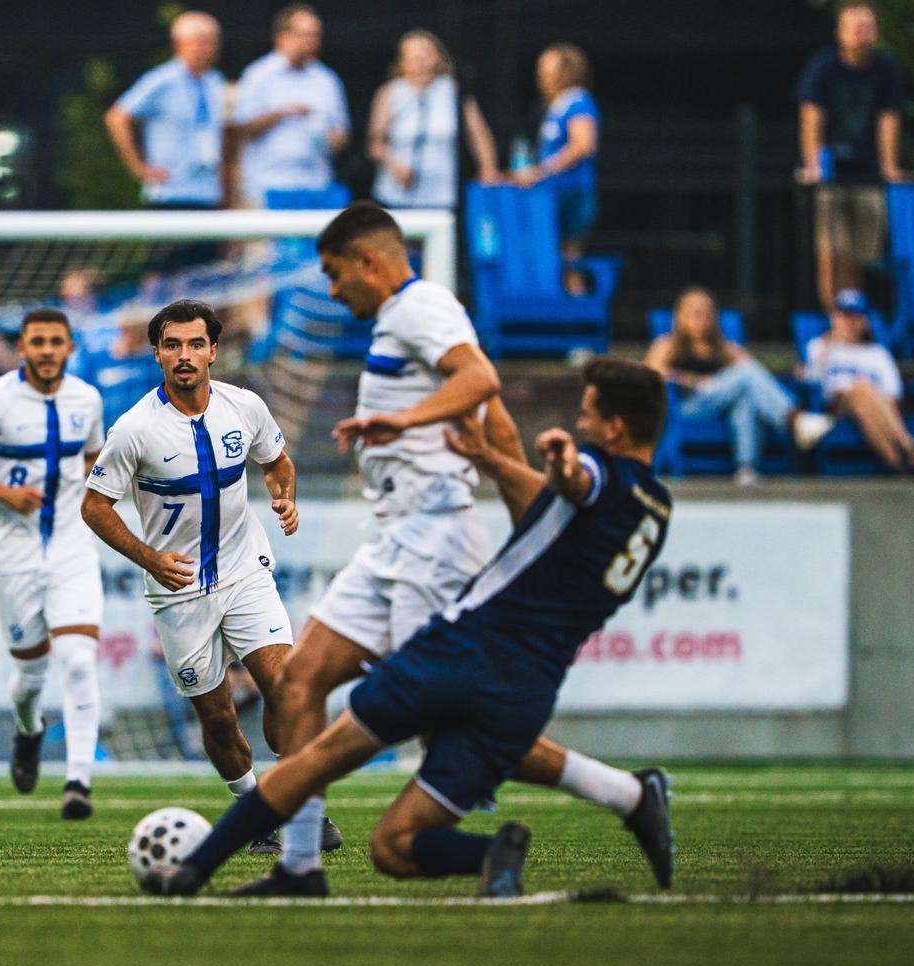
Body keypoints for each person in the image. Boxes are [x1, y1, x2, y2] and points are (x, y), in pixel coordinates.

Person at [236, 201, 670, 897]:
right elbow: (491, 418)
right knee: (300, 678)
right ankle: (299, 865)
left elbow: (483, 384)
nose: (332, 288)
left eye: (334, 272)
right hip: (395, 538)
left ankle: (627, 795)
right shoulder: (400, 322)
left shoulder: (423, 307)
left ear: (369, 261)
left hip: (435, 539)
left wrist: (406, 423)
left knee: (443, 721)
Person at [141, 359, 674, 899]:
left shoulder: (594, 471)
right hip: (528, 685)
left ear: (615, 428)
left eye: (588, 416)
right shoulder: (656, 507)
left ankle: (196, 871)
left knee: (317, 749)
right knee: (394, 845)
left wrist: (562, 466)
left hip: (464, 651)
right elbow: (556, 510)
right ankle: (564, 825)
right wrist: (492, 458)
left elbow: (576, 482)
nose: (581, 426)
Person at [81, 299, 317, 852]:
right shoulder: (134, 429)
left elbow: (276, 462)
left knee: (288, 689)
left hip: (245, 571)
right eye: (172, 345)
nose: (184, 356)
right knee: (217, 717)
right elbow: (95, 506)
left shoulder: (245, 407)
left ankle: (290, 804)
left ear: (213, 350)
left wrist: (284, 499)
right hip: (178, 590)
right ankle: (252, 809)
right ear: (157, 353)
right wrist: (149, 557)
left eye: (194, 344)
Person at [0, 309, 108, 818]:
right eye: (38, 342)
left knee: (78, 660)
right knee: (29, 677)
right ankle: (28, 729)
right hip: (13, 555)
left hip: (73, 549)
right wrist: (0, 493)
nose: (48, 350)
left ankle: (78, 782)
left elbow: (93, 458)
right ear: (22, 349)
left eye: (57, 341)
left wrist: (101, 496)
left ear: (71, 347)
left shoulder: (88, 399)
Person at [645, 285, 833, 485]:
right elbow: (651, 376)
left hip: (721, 408)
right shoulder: (666, 345)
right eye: (696, 313)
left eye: (708, 314)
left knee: (744, 397)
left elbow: (757, 374)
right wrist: (695, 381)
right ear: (680, 316)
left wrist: (798, 371)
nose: (703, 320)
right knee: (744, 375)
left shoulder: (724, 348)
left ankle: (746, 468)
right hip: (685, 407)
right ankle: (795, 420)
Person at [797, 3, 906, 313]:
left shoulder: (886, 69)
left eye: (868, 26)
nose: (863, 33)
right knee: (832, 252)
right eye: (856, 27)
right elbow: (811, 120)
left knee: (861, 254)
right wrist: (815, 166)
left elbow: (889, 120)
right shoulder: (823, 68)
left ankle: (854, 316)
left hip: (868, 175)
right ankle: (835, 317)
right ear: (840, 33)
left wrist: (889, 167)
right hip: (831, 175)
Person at [367, 30, 501, 210]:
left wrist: (488, 169)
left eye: (425, 53)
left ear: (438, 57)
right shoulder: (390, 93)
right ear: (402, 61)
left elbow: (478, 133)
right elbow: (375, 144)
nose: (420, 60)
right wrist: (395, 166)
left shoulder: (453, 91)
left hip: (442, 194)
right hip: (396, 193)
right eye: (413, 55)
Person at [106, 11, 227, 208]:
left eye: (213, 41)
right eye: (203, 41)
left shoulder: (214, 81)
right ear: (180, 43)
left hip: (209, 192)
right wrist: (139, 168)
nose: (210, 48)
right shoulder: (163, 80)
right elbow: (117, 117)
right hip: (170, 192)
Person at [233, 4, 350, 207]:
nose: (311, 42)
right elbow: (242, 129)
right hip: (268, 185)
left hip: (316, 186)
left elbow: (342, 133)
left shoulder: (326, 79)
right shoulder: (258, 76)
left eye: (315, 36)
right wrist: (282, 113)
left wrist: (334, 139)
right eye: (304, 35)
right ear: (282, 37)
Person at [511, 44, 600, 294]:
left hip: (570, 193)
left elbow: (583, 145)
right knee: (551, 258)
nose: (541, 74)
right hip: (549, 195)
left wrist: (542, 171)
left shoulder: (578, 100)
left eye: (547, 67)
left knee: (569, 258)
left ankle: (577, 318)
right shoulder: (555, 106)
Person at [802, 289, 914, 471]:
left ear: (865, 322)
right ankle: (907, 444)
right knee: (860, 389)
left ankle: (898, 464)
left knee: (862, 405)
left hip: (870, 407)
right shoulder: (820, 347)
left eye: (854, 317)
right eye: (843, 316)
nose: (848, 322)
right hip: (835, 405)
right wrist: (832, 339)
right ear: (834, 317)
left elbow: (892, 394)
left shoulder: (877, 353)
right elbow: (812, 378)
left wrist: (870, 394)